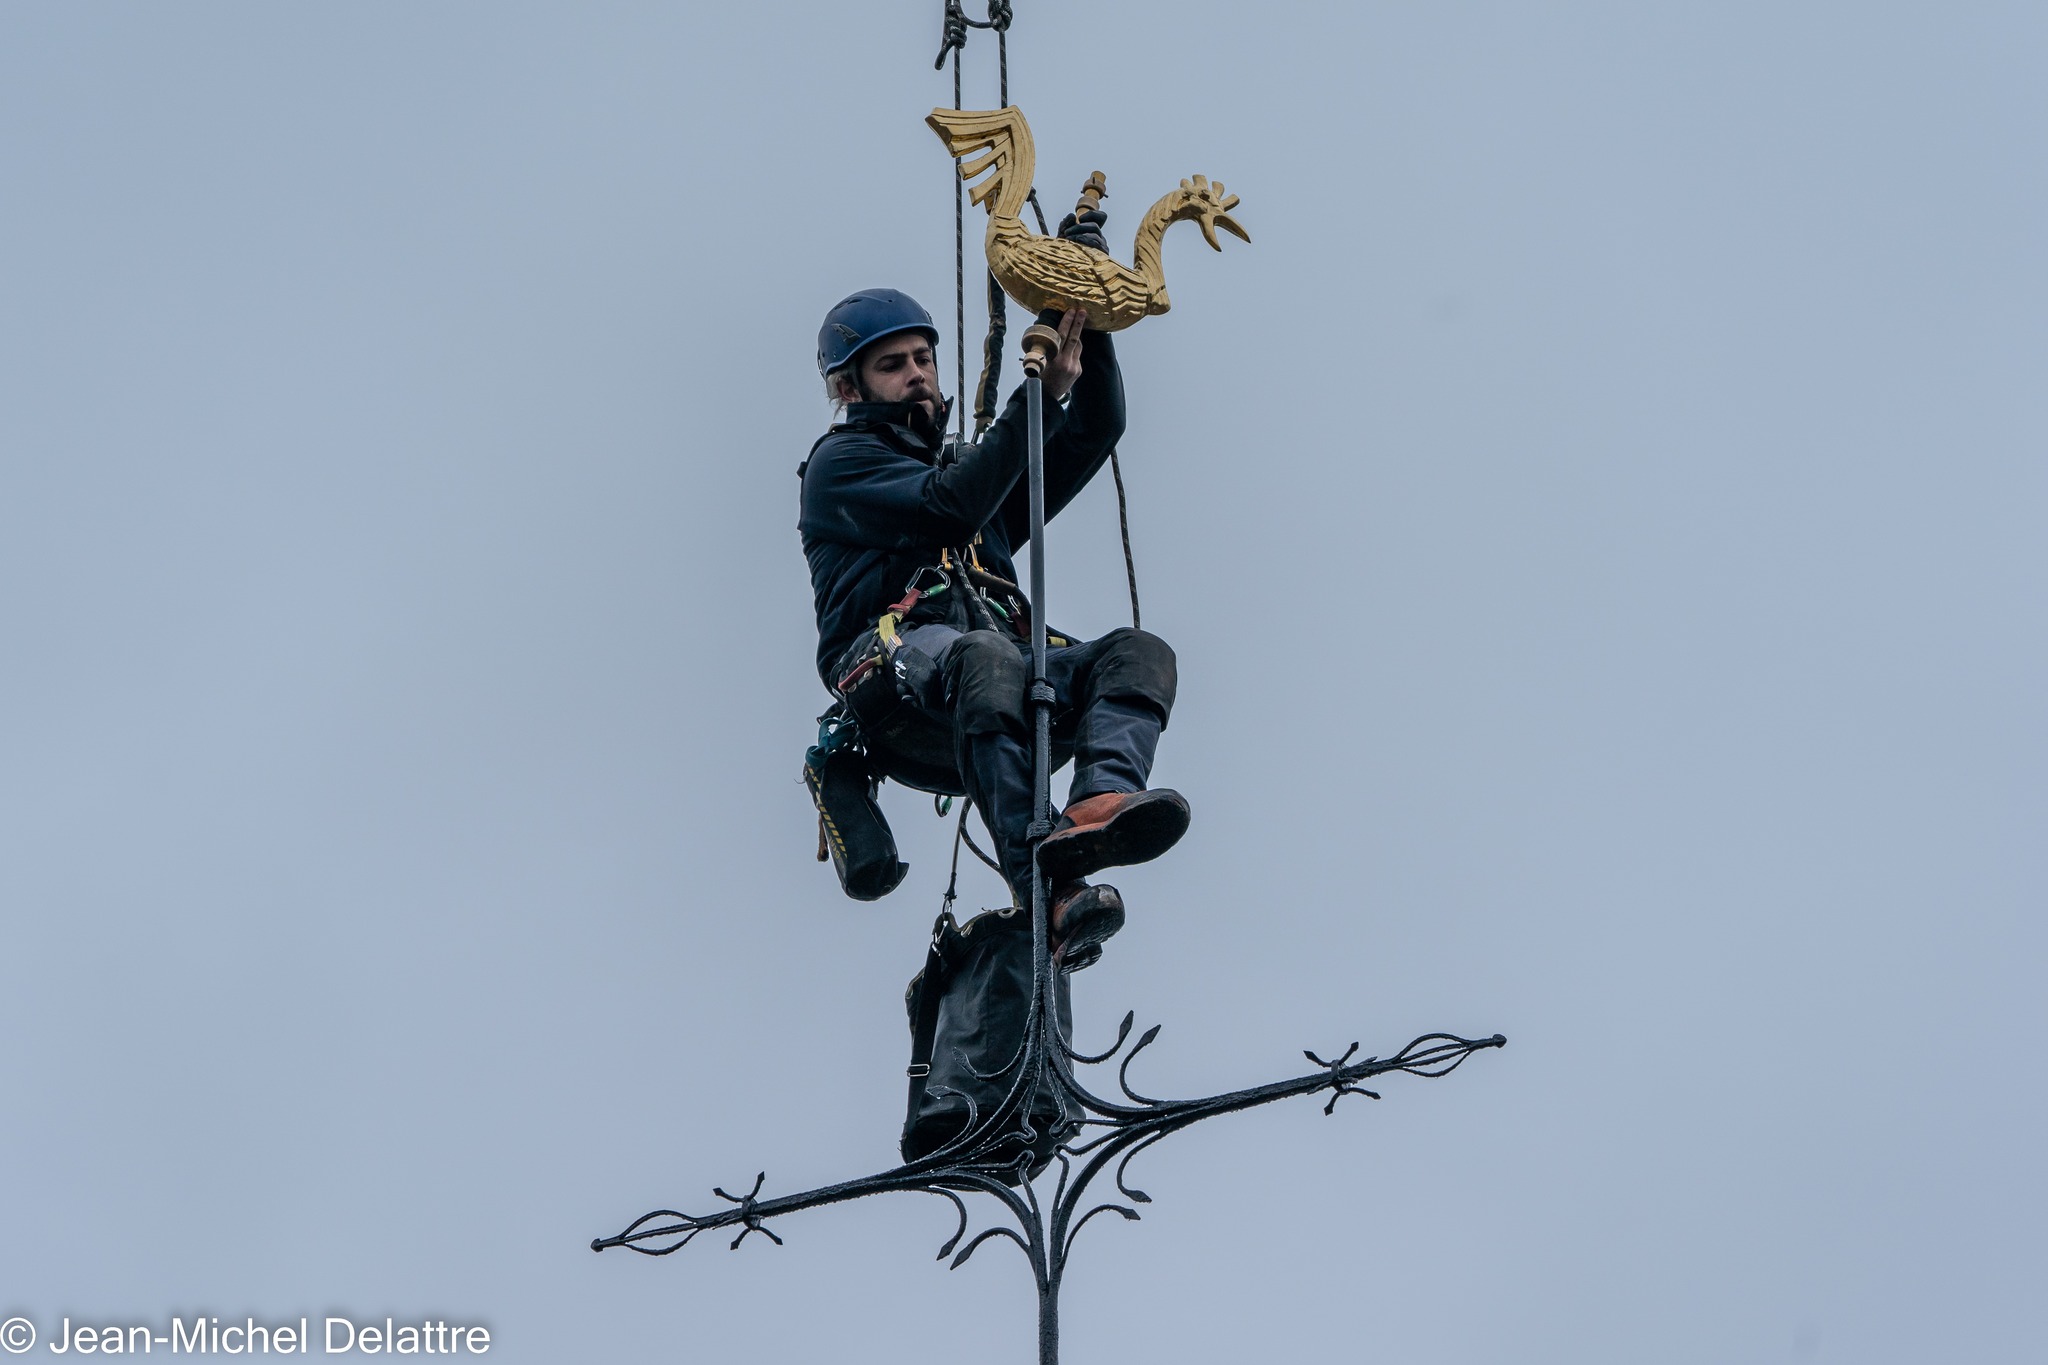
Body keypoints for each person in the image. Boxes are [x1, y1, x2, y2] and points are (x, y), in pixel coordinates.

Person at [798, 281, 1188, 972]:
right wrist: (1037, 399)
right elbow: (949, 508)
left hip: (995, 682)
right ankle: (1042, 883)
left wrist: (1082, 309)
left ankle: (1097, 802)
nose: (917, 373)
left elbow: (1096, 428)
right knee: (987, 656)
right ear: (850, 389)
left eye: (923, 358)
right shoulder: (843, 465)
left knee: (1137, 653)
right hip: (898, 685)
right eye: (893, 364)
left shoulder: (970, 474)